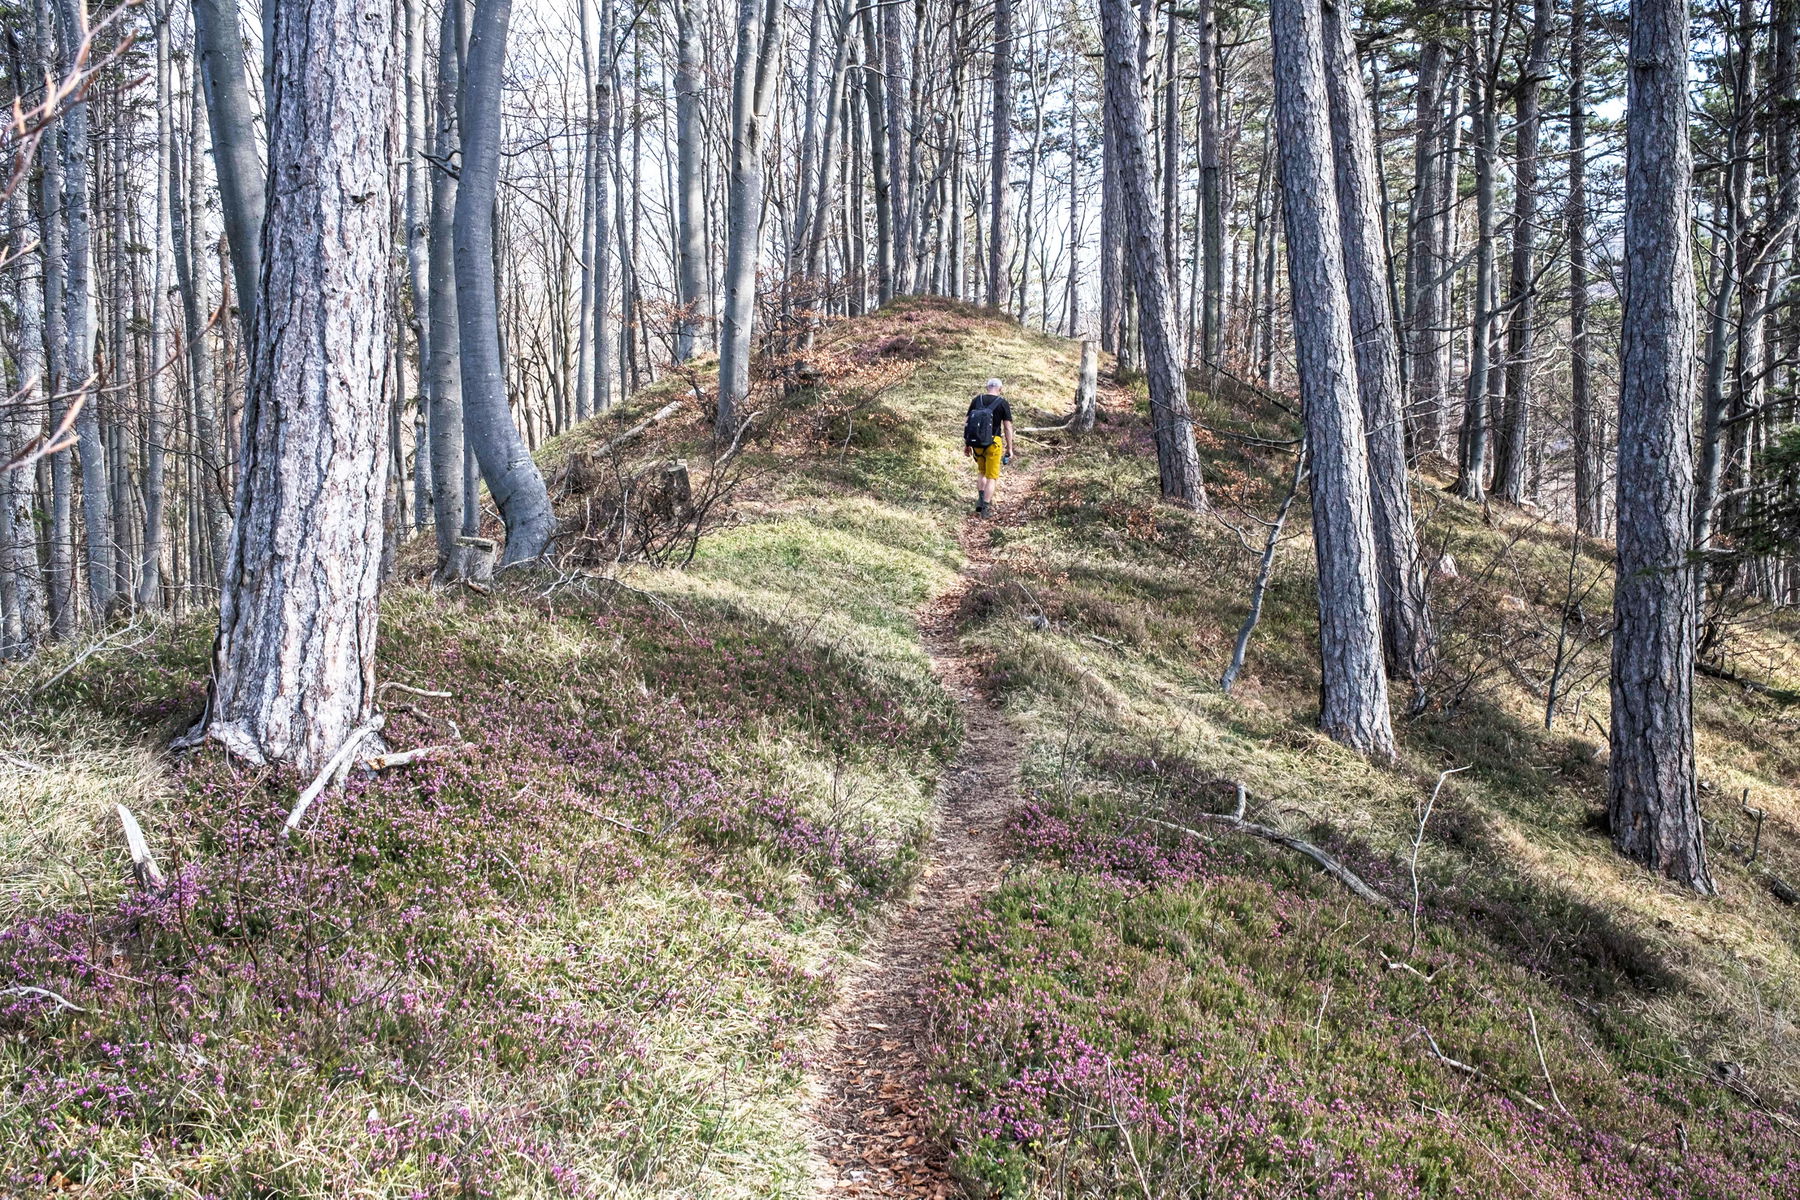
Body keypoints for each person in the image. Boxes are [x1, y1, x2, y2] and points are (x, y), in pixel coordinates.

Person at [962, 377, 1015, 516]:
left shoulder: (977, 400)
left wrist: (967, 444)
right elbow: (1008, 427)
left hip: (977, 443)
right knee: (991, 477)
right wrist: (1009, 448)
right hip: (994, 443)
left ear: (987, 388)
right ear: (1000, 389)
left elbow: (967, 423)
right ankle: (985, 508)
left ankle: (979, 502)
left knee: (981, 472)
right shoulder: (1002, 403)